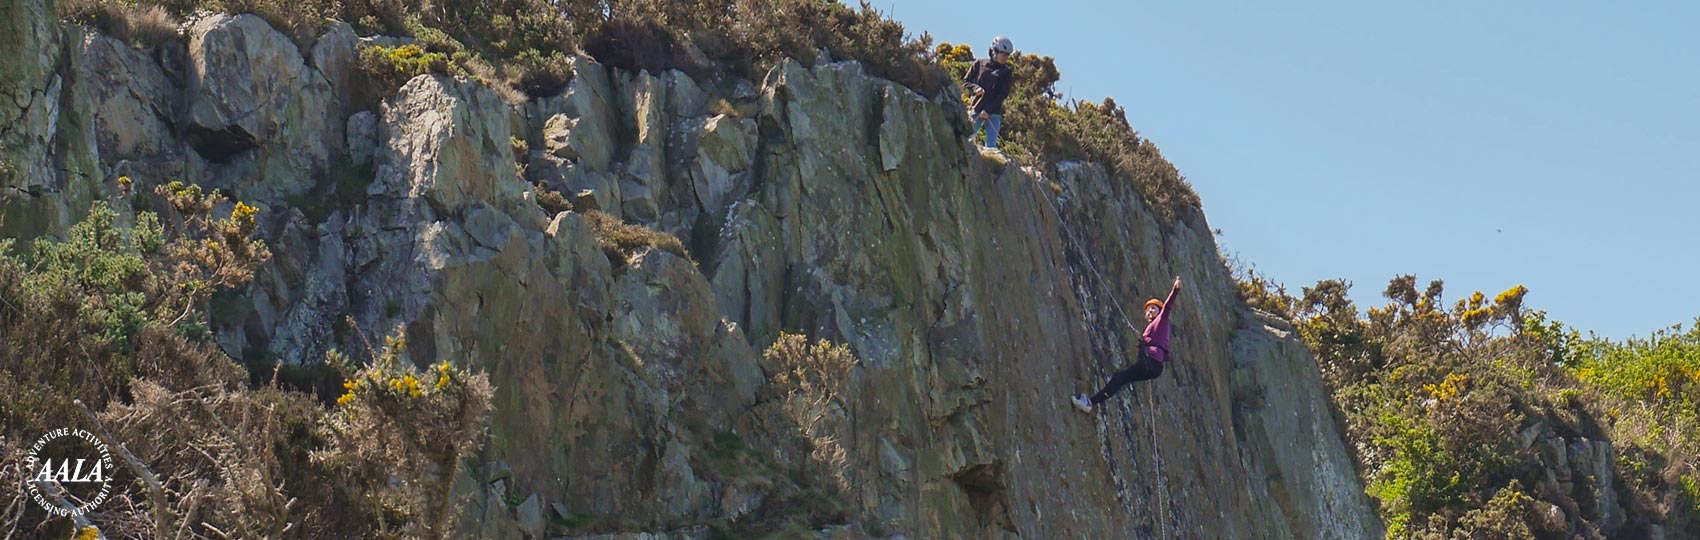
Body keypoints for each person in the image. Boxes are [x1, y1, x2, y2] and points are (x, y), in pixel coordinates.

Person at [1073, 276, 1183, 413]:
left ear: (1159, 311)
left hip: (1151, 362)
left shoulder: (1162, 320)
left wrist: (1175, 290)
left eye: (1153, 308)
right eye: (1148, 310)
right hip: (1153, 365)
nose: (1150, 311)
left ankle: (1089, 403)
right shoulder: (1156, 329)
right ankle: (1090, 402)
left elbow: (1167, 307)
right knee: (1120, 378)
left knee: (1120, 378)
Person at [964, 36, 1015, 151]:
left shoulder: (1006, 72)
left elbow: (1003, 94)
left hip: (994, 113)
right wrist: (975, 88)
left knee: (991, 147)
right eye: (1004, 54)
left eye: (1007, 55)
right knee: (968, 139)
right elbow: (965, 81)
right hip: (976, 109)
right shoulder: (979, 64)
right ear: (995, 51)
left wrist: (988, 110)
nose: (1006, 57)